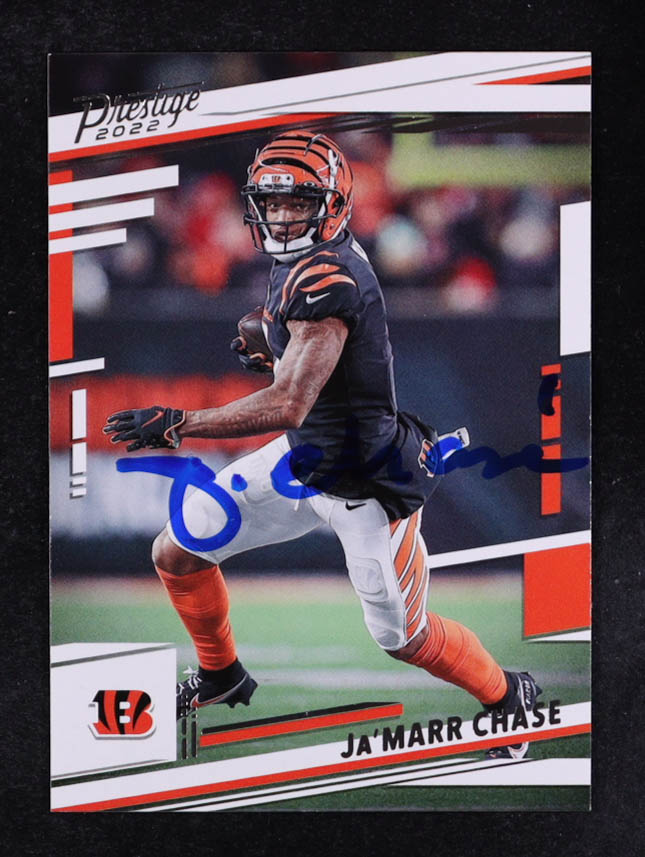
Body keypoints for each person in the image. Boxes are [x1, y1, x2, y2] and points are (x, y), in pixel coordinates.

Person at [103, 131, 540, 760]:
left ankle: (508, 696)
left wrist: (178, 421)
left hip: (366, 484)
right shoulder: (305, 260)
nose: (282, 216)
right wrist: (276, 344)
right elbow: (313, 374)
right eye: (272, 203)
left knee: (404, 636)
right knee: (176, 552)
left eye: (298, 203)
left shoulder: (329, 278)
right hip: (302, 462)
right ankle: (222, 673)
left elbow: (288, 403)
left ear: (332, 204)